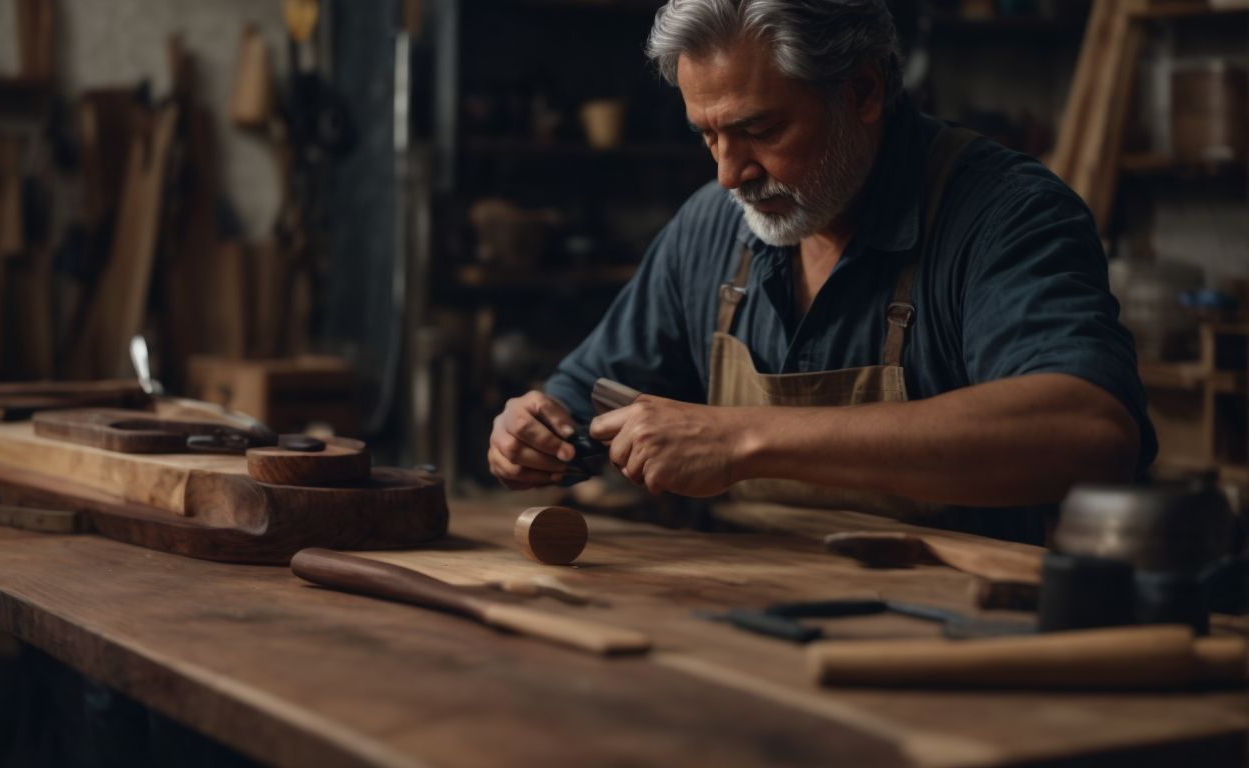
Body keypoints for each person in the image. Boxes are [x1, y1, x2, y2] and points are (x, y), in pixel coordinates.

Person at [486, 0, 1154, 543]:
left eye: (760, 131)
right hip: (735, 613)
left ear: (862, 91)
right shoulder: (711, 227)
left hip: (951, 629)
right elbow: (581, 399)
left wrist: (744, 439)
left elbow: (1088, 431)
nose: (728, 174)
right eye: (707, 135)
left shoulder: (1003, 213)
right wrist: (533, 434)